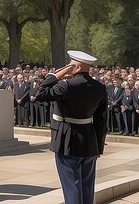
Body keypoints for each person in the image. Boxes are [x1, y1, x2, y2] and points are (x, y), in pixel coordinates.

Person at [35, 50, 108, 204]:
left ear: (76, 67)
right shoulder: (99, 87)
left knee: (72, 185)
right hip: (89, 139)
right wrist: (98, 147)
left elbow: (40, 94)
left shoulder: (66, 85)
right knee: (87, 186)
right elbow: (101, 121)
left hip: (67, 138)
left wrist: (55, 75)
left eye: (69, 65)